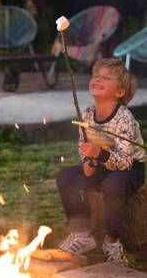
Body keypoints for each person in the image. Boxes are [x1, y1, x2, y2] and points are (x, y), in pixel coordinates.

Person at [56, 58, 145, 264]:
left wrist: (100, 155)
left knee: (111, 184)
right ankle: (81, 234)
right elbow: (84, 144)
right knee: (66, 177)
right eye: (96, 75)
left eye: (106, 78)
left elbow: (125, 163)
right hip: (101, 164)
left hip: (130, 169)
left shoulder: (124, 119)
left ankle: (112, 241)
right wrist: (88, 161)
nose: (98, 79)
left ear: (120, 92)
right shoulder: (87, 115)